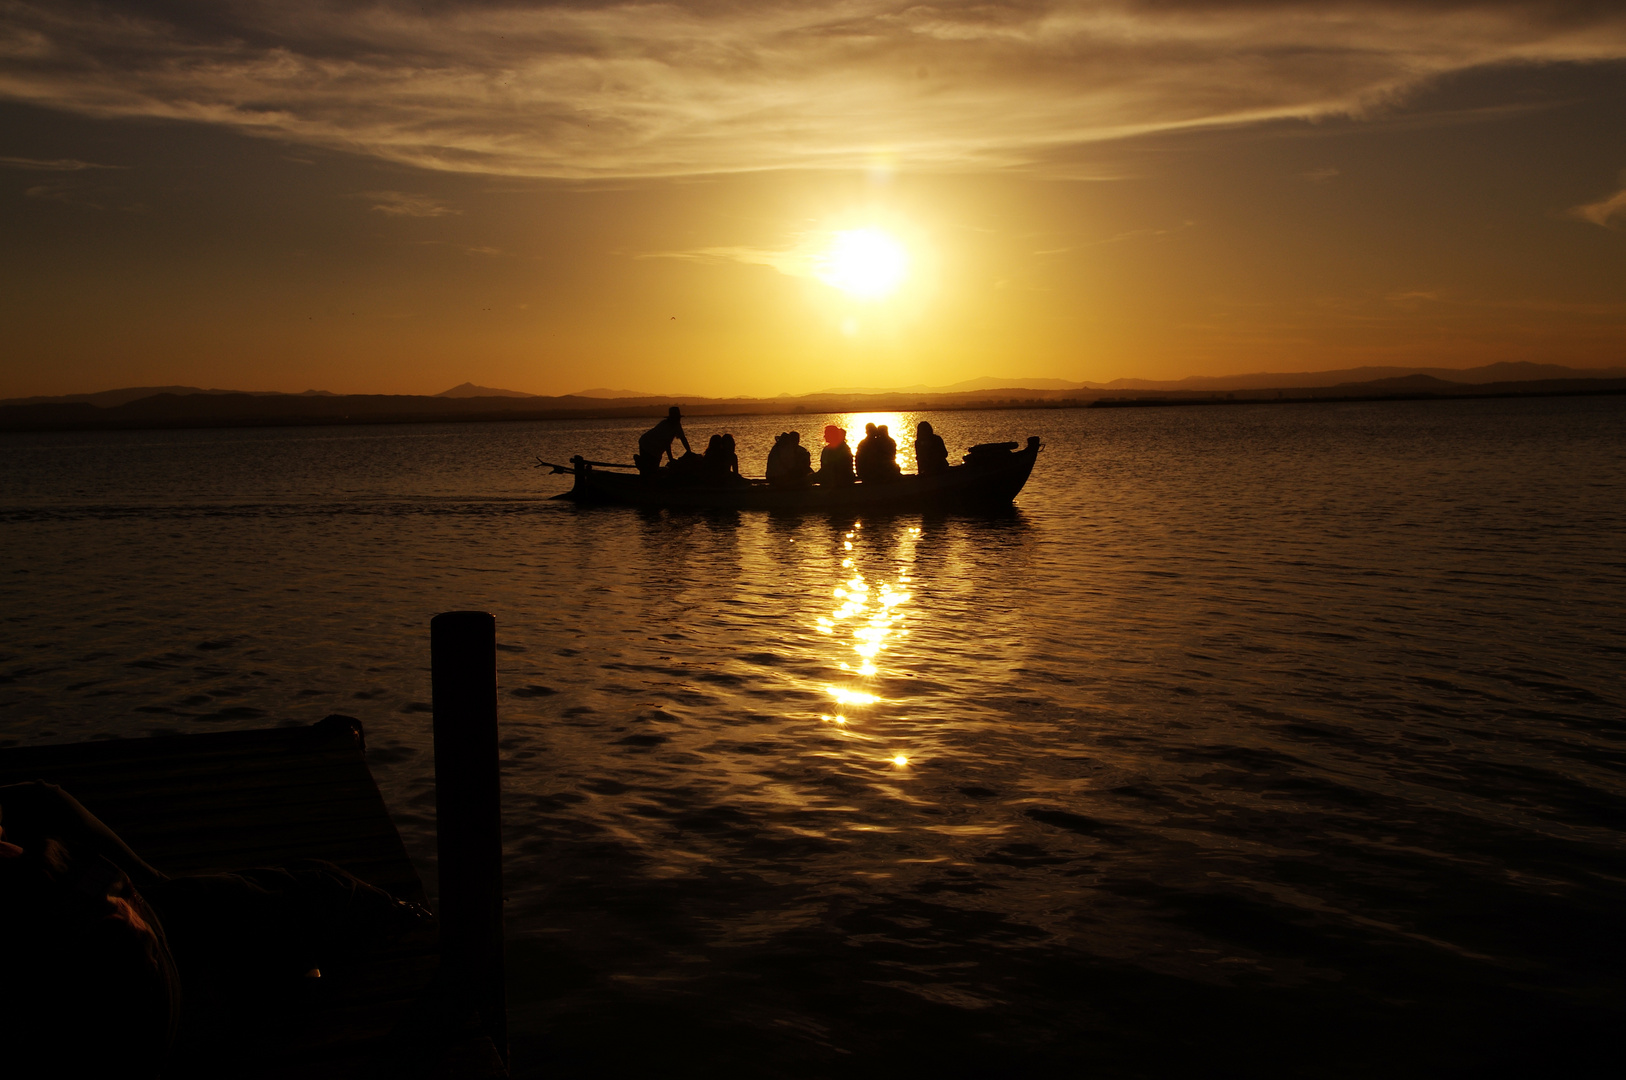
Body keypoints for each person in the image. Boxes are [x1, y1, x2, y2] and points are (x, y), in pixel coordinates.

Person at [636, 406, 691, 475]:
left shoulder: (677, 425)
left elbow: (683, 439)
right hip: (647, 444)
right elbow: (667, 445)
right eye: (676, 418)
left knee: (653, 467)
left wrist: (689, 451)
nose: (678, 420)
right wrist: (671, 459)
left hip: (656, 449)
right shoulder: (665, 426)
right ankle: (642, 467)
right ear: (672, 418)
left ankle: (642, 465)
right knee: (650, 468)